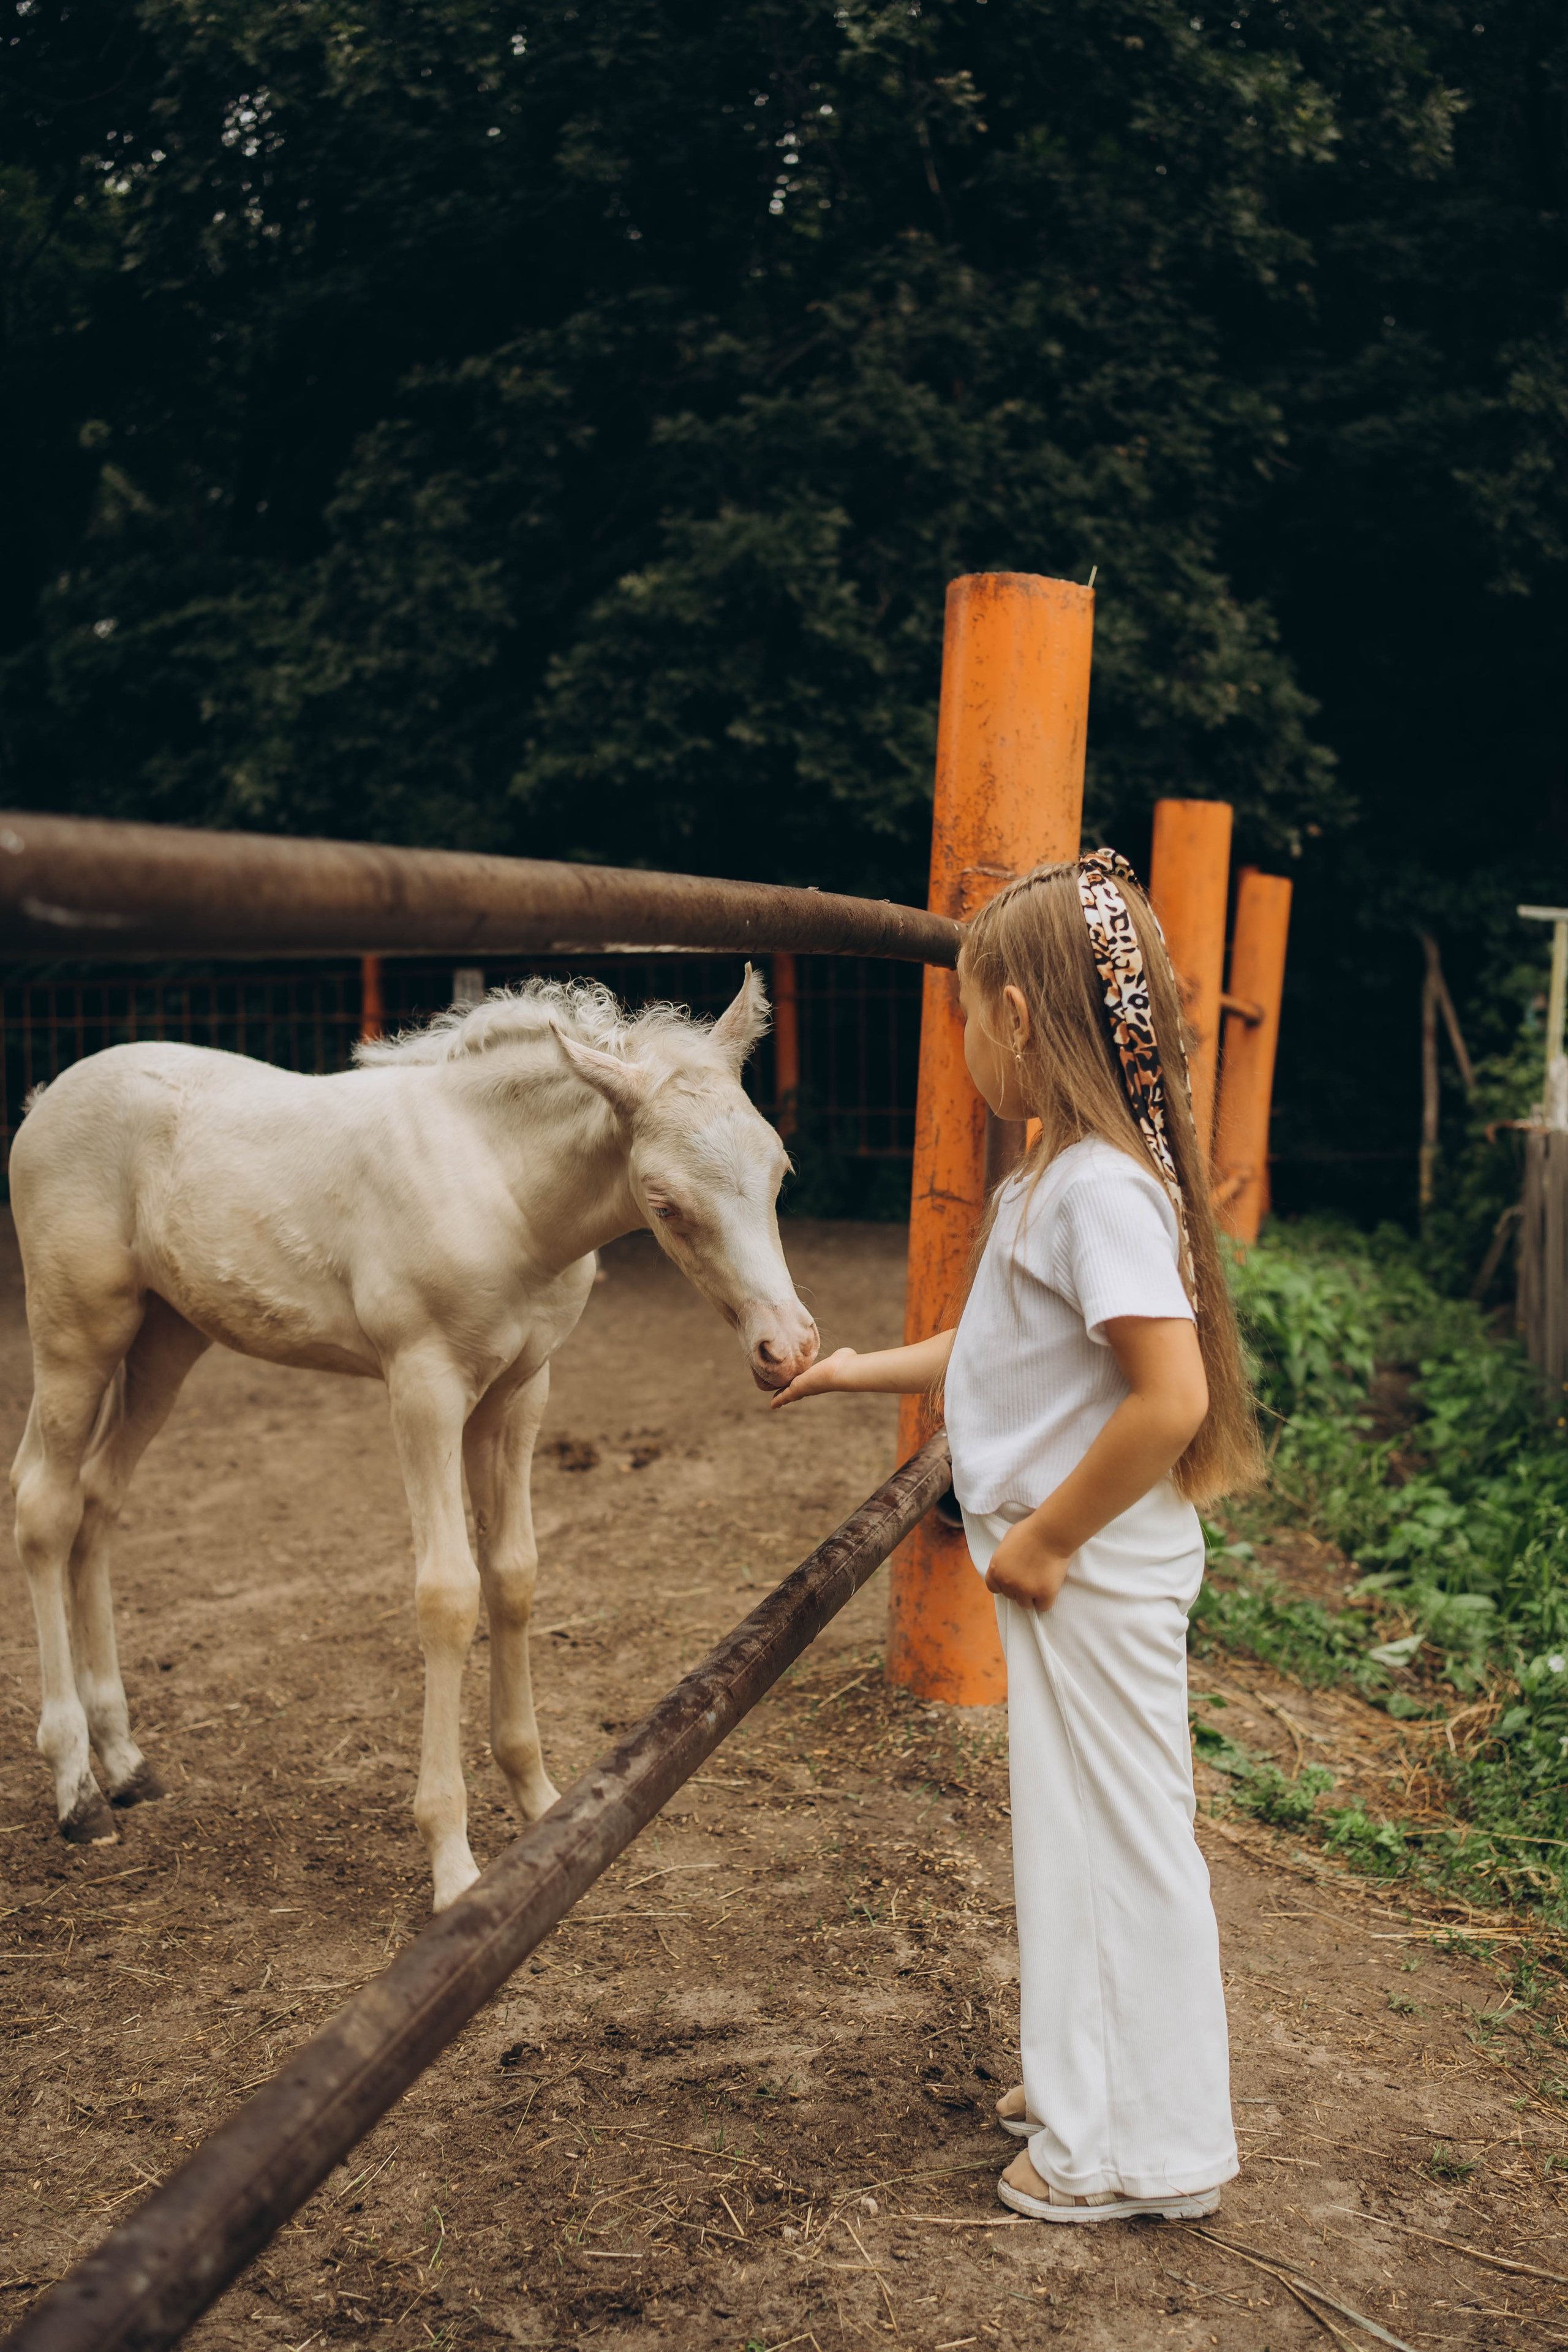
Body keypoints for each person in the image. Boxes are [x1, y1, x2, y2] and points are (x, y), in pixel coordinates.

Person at [771, 850, 1263, 2223]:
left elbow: (1170, 1399)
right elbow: (997, 1346)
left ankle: (1129, 2156)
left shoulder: (1100, 1189)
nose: (962, 1048)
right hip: (1076, 1567)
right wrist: (852, 1369)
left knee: (1117, 1842)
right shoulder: (1053, 1177)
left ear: (1017, 1017)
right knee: (1075, 1832)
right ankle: (1086, 2086)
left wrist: (1040, 1541)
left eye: (963, 1018)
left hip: (1088, 1567)